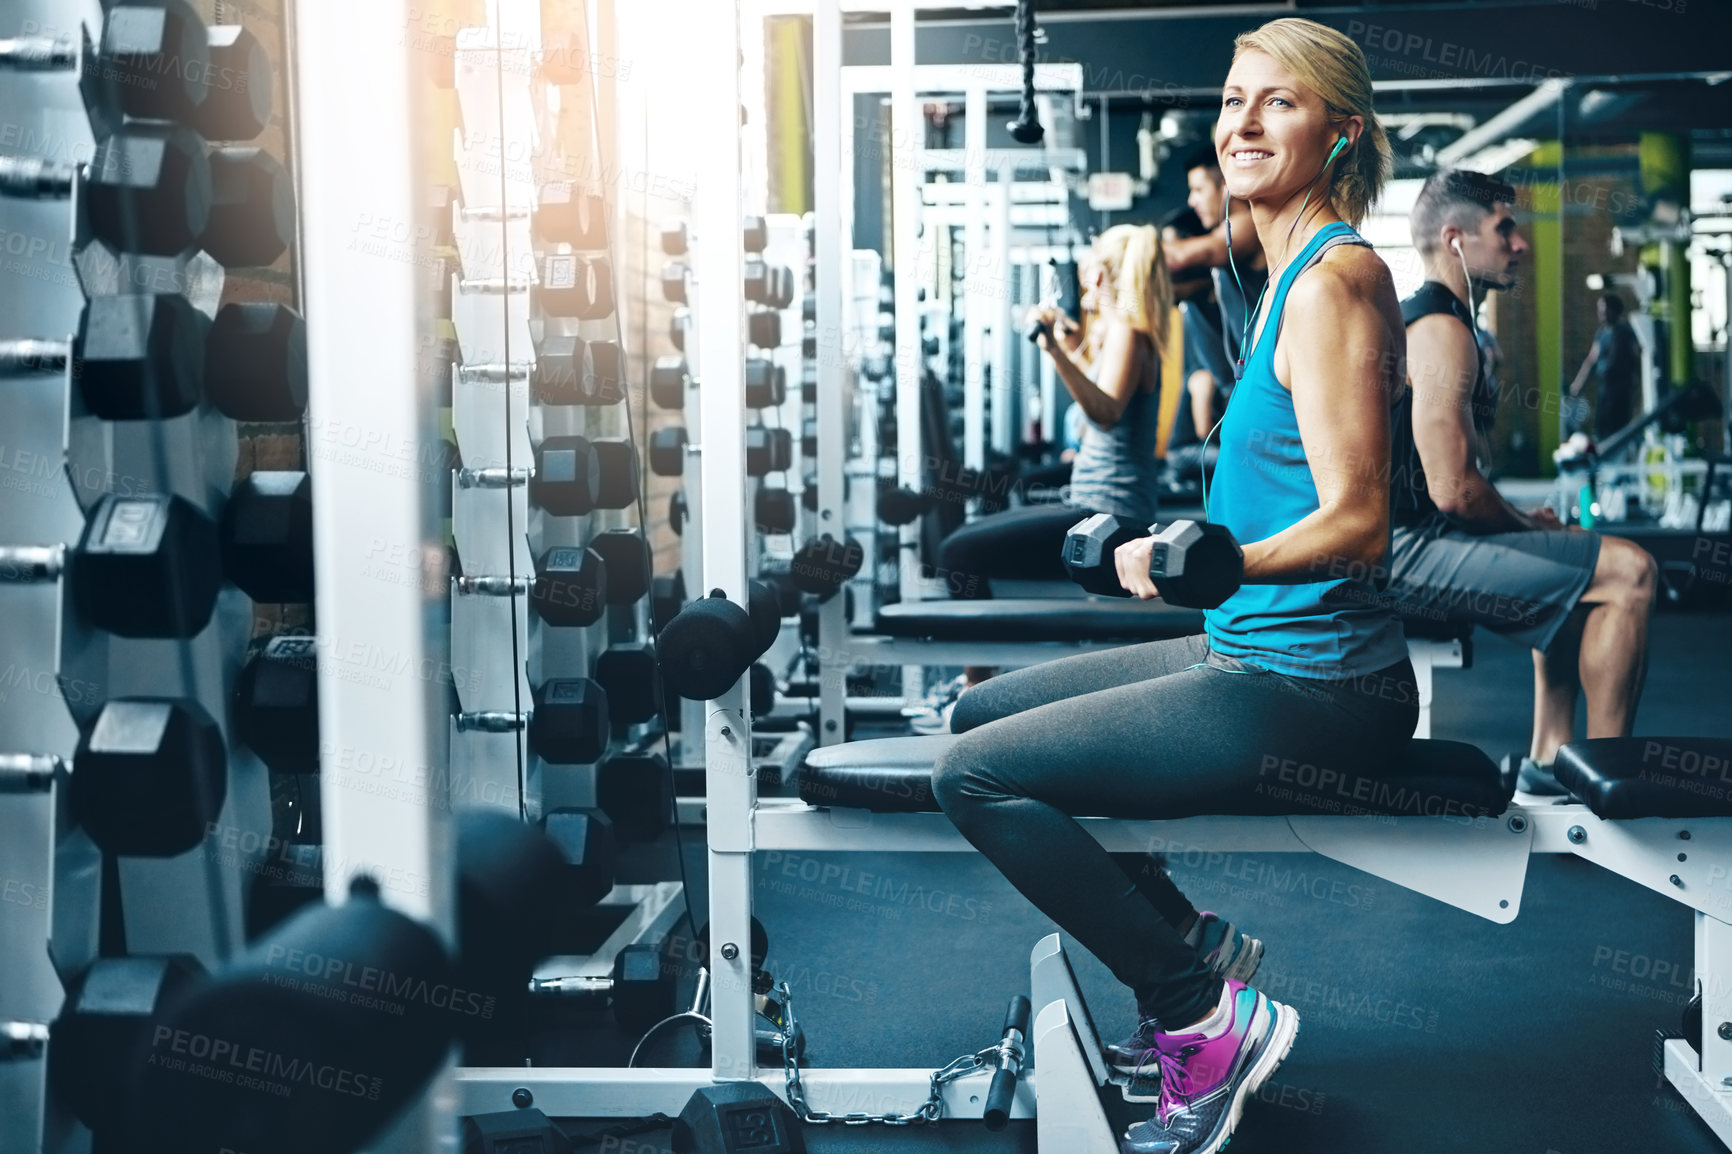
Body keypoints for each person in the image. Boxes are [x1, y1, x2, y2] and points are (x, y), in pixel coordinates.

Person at [933, 19, 1412, 1153]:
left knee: (972, 774)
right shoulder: (1281, 270)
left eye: (1277, 102)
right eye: (1233, 98)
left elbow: (1360, 522)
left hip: (1317, 684)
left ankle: (1196, 1007)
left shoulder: (1337, 278)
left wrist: (1215, 560)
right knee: (974, 711)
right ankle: (1190, 942)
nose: (1242, 123)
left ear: (1339, 131)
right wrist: (1171, 541)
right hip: (1251, 646)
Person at [1385, 170, 1657, 795]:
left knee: (1569, 562)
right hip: (1403, 554)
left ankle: (1550, 760)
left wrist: (1528, 529)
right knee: (1630, 572)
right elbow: (1454, 489)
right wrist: (1523, 523)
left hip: (1414, 543)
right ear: (1455, 239)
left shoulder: (1448, 324)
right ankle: (1606, 784)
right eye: (1504, 229)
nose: (1520, 244)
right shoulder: (1441, 330)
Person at [932, 224, 1171, 597]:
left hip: (1109, 518)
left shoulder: (1129, 332)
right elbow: (1104, 392)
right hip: (1097, 509)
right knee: (965, 541)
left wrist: (1055, 351)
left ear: (1096, 273)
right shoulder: (1121, 332)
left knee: (956, 552)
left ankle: (981, 654)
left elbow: (1105, 412)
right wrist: (1068, 342)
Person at [1568, 292, 1643, 439]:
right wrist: (1577, 384)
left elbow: (1637, 360)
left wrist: (1638, 390)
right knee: (1603, 428)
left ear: (1615, 310)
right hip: (1606, 390)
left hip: (1622, 390)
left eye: (1605, 309)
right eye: (1600, 308)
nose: (1601, 312)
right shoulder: (1601, 333)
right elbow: (1591, 360)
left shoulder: (1626, 332)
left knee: (1620, 430)